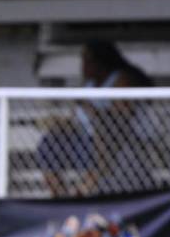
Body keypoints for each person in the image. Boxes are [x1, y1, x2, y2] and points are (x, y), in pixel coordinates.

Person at [37, 41, 152, 197]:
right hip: (84, 140)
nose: (83, 65)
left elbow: (122, 117)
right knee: (49, 141)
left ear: (101, 61)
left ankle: (83, 192)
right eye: (82, 59)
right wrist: (57, 122)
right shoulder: (89, 85)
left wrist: (93, 111)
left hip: (119, 143)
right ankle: (59, 196)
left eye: (87, 59)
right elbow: (76, 118)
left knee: (107, 132)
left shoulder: (120, 80)